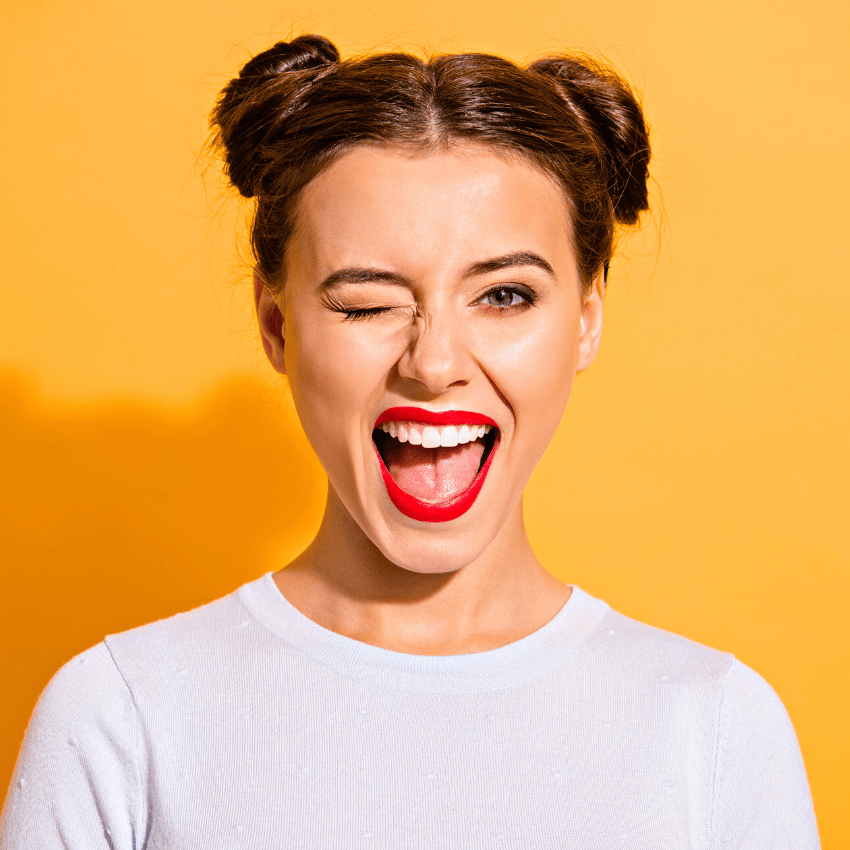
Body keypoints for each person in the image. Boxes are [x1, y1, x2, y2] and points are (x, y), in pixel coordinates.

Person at [0, 34, 819, 848]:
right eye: (365, 303)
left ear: (585, 320)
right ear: (276, 326)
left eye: (503, 295)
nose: (433, 364)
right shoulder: (121, 717)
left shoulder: (715, 730)